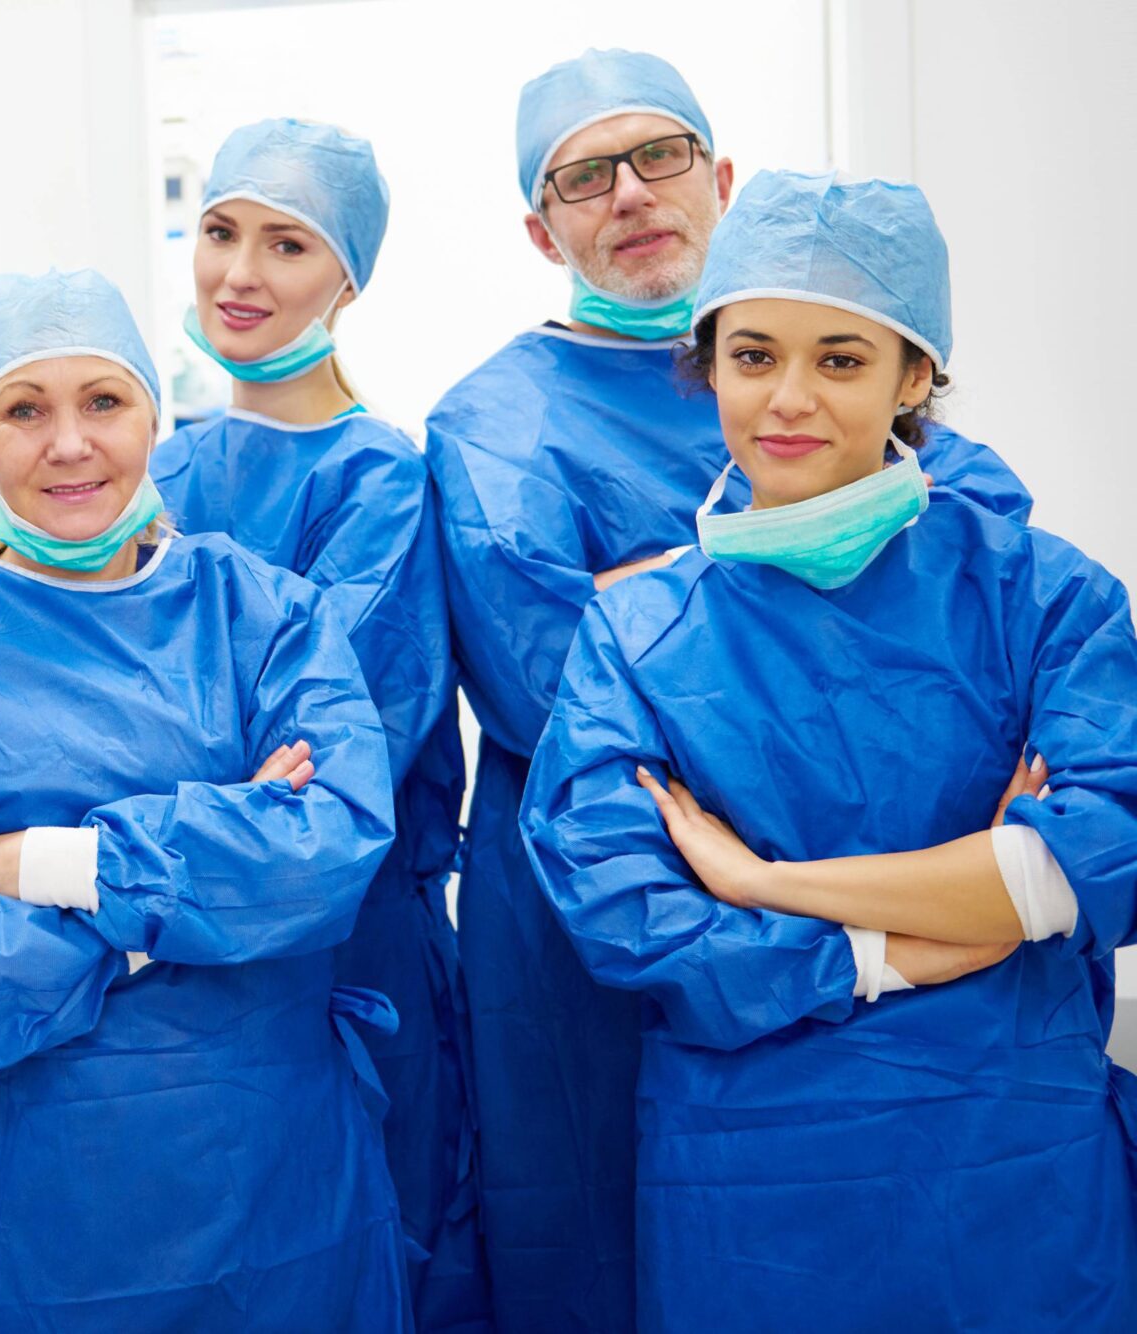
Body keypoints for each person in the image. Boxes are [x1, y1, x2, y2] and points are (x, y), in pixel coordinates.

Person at [422, 48, 1035, 1330]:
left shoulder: (850, 329)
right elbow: (555, 674)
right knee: (609, 1237)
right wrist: (789, 546)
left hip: (888, 873)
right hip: (618, 891)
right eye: (584, 176)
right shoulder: (495, 423)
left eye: (660, 155)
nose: (630, 193)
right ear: (542, 230)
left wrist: (659, 578)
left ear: (723, 175)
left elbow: (968, 550)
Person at [521, 168, 1137, 1333]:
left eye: (841, 360)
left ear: (916, 375)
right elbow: (629, 914)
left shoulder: (1043, 598)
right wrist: (920, 941)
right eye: (753, 356)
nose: (787, 399)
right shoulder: (641, 630)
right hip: (753, 1189)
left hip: (1009, 1171)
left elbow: (1090, 860)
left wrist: (766, 884)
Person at [0, 268, 412, 1332]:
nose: (69, 444)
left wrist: (40, 866)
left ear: (156, 415)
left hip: (273, 1185)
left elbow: (331, 847)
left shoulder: (263, 612)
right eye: (23, 409)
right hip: (22, 1211)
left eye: (103, 401)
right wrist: (208, 889)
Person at [150, 117, 485, 1331]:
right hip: (180, 953)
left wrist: (149, 761)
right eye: (221, 231)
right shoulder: (155, 472)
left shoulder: (380, 479)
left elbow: (331, 753)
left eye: (286, 243)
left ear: (348, 277)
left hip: (348, 946)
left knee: (355, 1256)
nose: (240, 273)